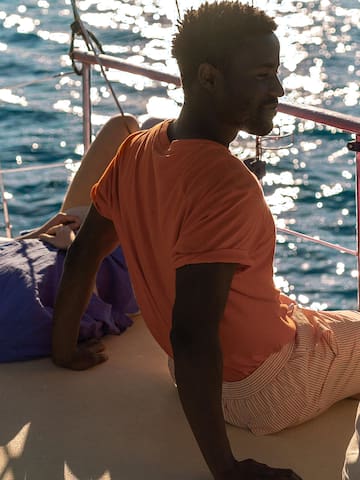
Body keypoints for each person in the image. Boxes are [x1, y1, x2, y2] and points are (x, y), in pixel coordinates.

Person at [49, 1, 360, 479]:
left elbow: (86, 252)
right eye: (262, 75)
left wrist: (64, 350)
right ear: (209, 77)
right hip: (265, 389)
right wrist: (227, 470)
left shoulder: (135, 149)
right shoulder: (228, 185)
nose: (277, 89)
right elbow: (192, 336)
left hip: (191, 377)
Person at [0, 114, 139, 362]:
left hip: (59, 236)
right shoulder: (11, 324)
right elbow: (85, 313)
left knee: (125, 126)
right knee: (162, 144)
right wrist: (76, 247)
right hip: (109, 259)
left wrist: (39, 232)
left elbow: (11, 251)